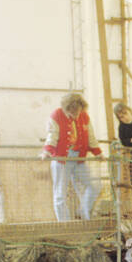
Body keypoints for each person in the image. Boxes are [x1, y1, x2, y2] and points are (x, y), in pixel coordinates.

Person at [40, 93, 101, 221]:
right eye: (73, 113)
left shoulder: (84, 116)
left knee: (94, 186)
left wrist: (98, 152)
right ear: (66, 109)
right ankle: (65, 224)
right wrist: (47, 151)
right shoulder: (56, 115)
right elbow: (52, 135)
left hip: (79, 159)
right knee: (60, 194)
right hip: (61, 160)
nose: (76, 116)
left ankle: (83, 213)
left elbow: (90, 136)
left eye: (78, 112)